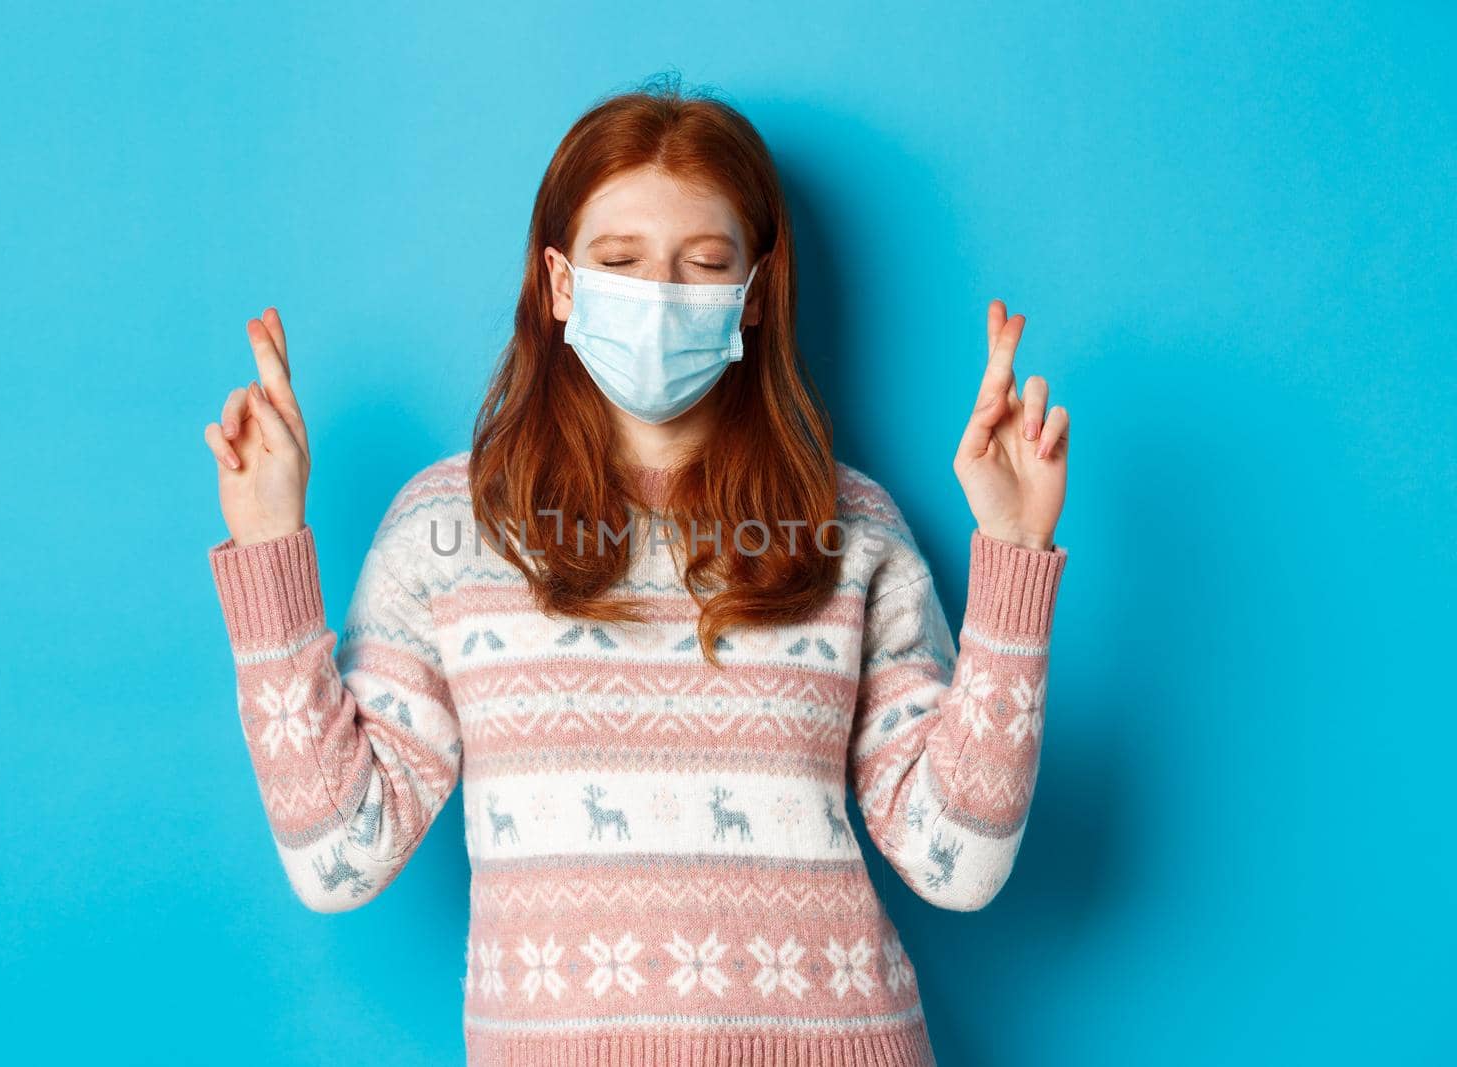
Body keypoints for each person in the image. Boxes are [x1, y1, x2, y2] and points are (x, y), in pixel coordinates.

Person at [202, 77, 1069, 1067]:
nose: (659, 296)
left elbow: (958, 860)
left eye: (703, 263)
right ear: (562, 283)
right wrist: (270, 543)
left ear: (752, 295)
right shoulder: (449, 527)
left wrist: (1014, 554)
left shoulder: (849, 529)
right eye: (620, 261)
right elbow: (336, 856)